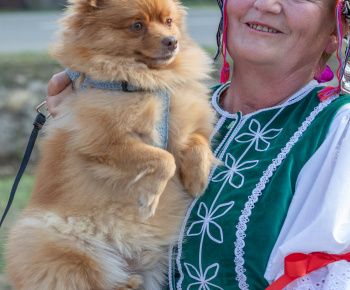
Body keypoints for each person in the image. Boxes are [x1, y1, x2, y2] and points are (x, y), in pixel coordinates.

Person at [46, 0, 350, 288]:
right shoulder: (165, 102)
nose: (266, 4)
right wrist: (88, 110)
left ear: (335, 33)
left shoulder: (338, 130)